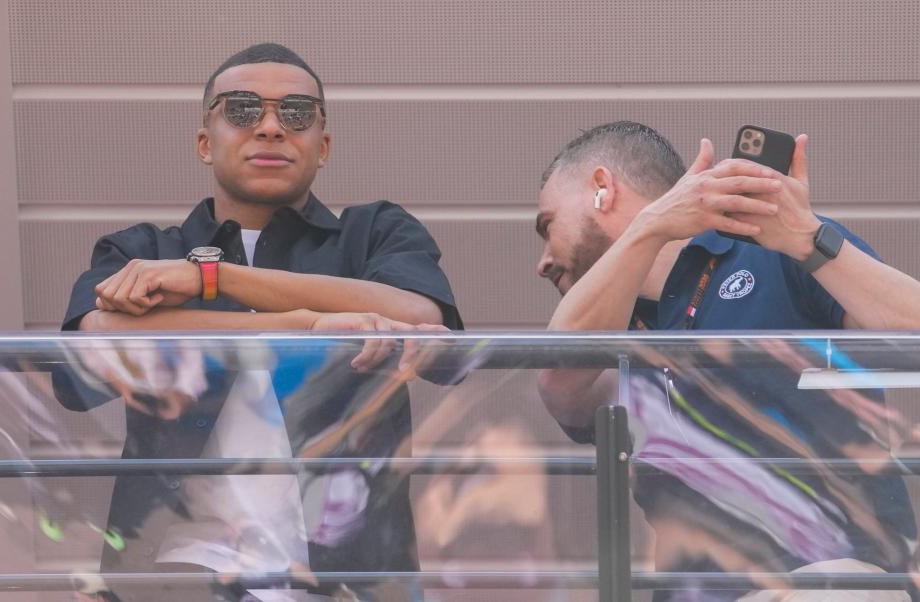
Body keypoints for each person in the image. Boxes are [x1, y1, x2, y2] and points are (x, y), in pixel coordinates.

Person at [58, 43, 462, 601]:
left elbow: (419, 313)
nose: (271, 127)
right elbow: (94, 345)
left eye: (296, 113)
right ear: (205, 142)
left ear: (323, 147)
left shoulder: (376, 233)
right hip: (175, 575)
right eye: (242, 110)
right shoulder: (143, 249)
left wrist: (212, 280)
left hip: (348, 578)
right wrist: (304, 324)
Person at [534, 121, 920, 601]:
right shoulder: (608, 328)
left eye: (547, 226)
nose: (543, 260)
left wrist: (808, 239)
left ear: (602, 189)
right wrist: (650, 228)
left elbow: (910, 328)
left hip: (828, 578)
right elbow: (558, 384)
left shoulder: (773, 252)